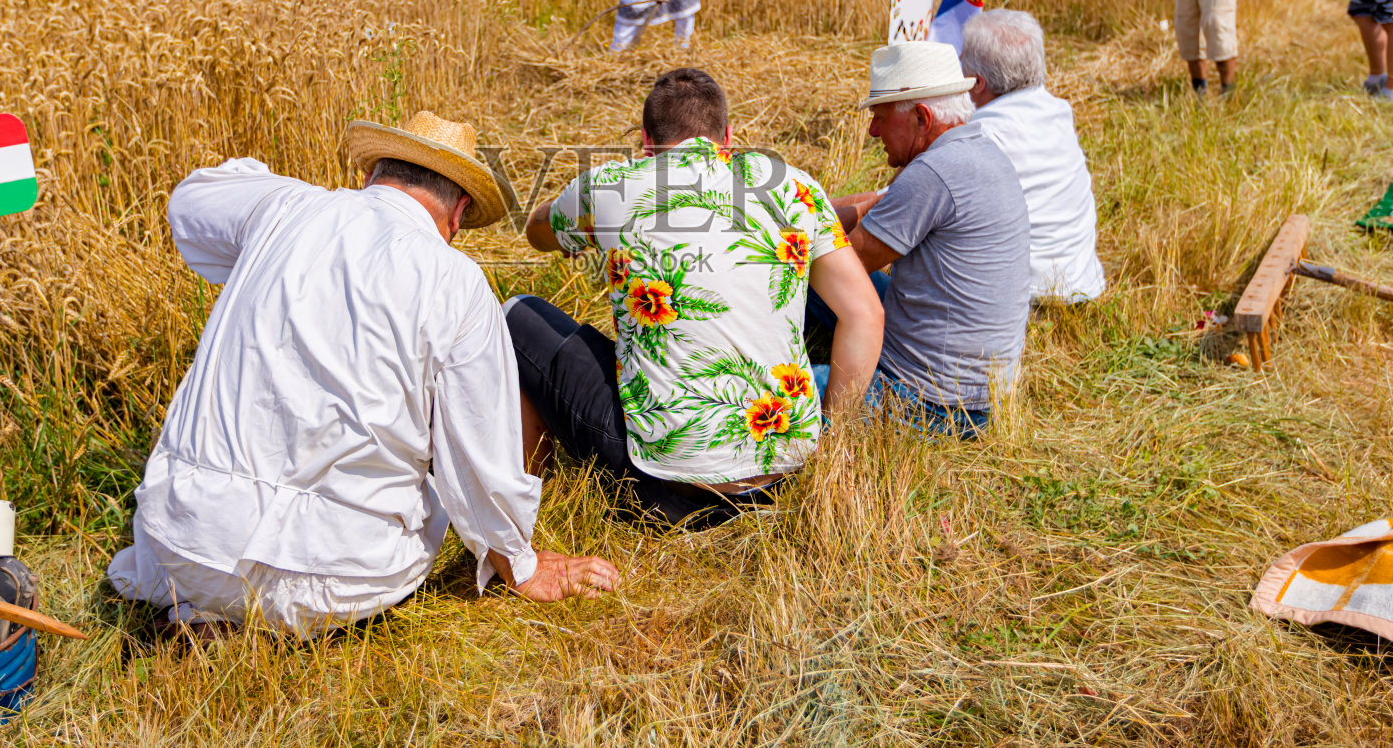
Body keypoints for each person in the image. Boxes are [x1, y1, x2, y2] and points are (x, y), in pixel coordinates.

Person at [108, 111, 618, 637]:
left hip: (185, 544)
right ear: (458, 213)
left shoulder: (286, 207)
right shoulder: (456, 281)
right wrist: (520, 563)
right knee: (431, 490)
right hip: (335, 575)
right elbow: (480, 453)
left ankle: (202, 614)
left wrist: (282, 195)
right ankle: (248, 622)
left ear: (370, 175)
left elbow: (192, 200)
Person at [508, 68, 883, 525]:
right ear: (727, 136)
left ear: (646, 141)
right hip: (785, 478)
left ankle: (527, 504)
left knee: (516, 316)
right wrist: (831, 442)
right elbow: (865, 313)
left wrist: (573, 207)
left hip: (664, 492)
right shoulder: (791, 185)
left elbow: (537, 235)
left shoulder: (611, 186)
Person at [821, 42, 1030, 438]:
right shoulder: (978, 152)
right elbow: (880, 203)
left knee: (778, 390)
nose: (873, 131)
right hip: (984, 392)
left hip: (929, 401)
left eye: (881, 118)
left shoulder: (931, 174)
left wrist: (775, 232)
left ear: (921, 116)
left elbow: (842, 263)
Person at [961, 10, 1106, 303]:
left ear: (977, 82)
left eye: (961, 62)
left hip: (1023, 298)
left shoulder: (982, 133)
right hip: (1082, 286)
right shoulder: (1059, 112)